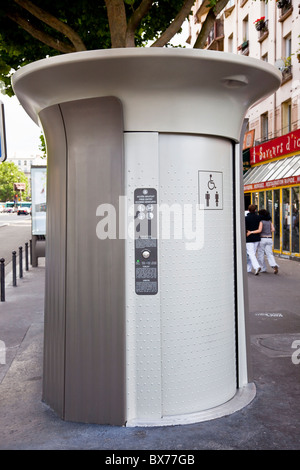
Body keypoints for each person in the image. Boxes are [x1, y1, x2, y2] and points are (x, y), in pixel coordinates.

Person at [248, 209, 279, 274]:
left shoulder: (261, 222)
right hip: (270, 239)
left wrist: (251, 232)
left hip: (262, 239)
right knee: (269, 254)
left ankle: (262, 268)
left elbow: (259, 230)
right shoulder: (270, 222)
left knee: (260, 254)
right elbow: (273, 230)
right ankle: (274, 265)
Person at [245, 204, 261, 275]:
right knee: (252, 254)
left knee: (250, 254)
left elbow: (244, 228)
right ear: (255, 210)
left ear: (248, 210)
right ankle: (248, 268)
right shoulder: (259, 218)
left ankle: (257, 267)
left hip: (249, 238)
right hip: (257, 238)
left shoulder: (246, 218)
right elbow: (260, 229)